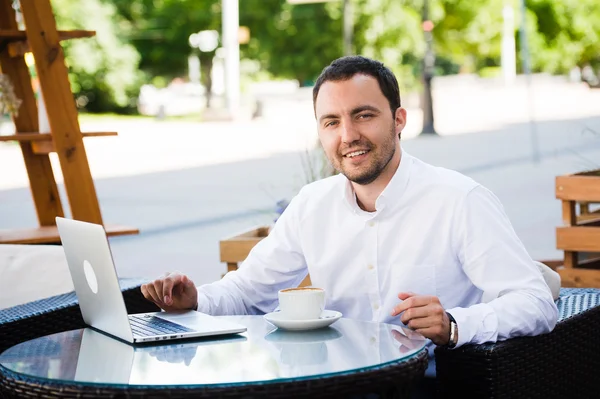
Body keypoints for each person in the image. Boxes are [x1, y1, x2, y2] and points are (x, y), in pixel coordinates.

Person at [141, 55, 558, 395]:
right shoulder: (311, 204)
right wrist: (193, 301)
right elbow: (247, 291)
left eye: (363, 115)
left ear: (399, 119)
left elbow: (535, 302)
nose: (348, 135)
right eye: (332, 122)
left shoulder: (459, 200)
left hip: (431, 384)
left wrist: (453, 323)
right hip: (333, 383)